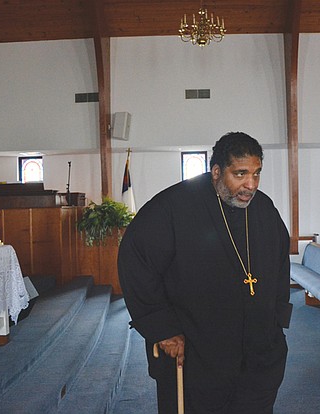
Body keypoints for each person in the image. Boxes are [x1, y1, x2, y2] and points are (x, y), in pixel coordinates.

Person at [118, 132, 292, 414]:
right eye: (240, 174)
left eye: (256, 174)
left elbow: (280, 264)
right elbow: (136, 261)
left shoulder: (263, 209)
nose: (251, 185)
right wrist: (162, 328)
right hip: (199, 350)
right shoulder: (174, 206)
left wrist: (276, 319)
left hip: (258, 349)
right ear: (216, 171)